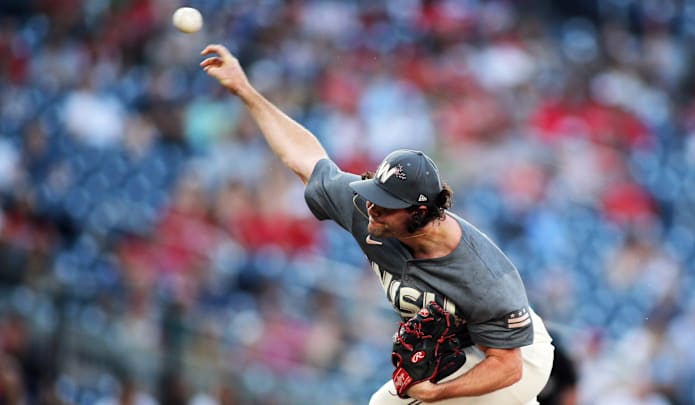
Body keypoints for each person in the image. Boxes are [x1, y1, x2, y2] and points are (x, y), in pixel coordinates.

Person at [200, 43, 555, 404]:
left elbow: (508, 366)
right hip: (465, 353)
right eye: (375, 195)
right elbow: (305, 159)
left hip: (516, 358)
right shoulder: (368, 209)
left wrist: (437, 392)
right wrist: (245, 91)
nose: (373, 208)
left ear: (419, 215)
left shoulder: (482, 274)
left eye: (386, 205)